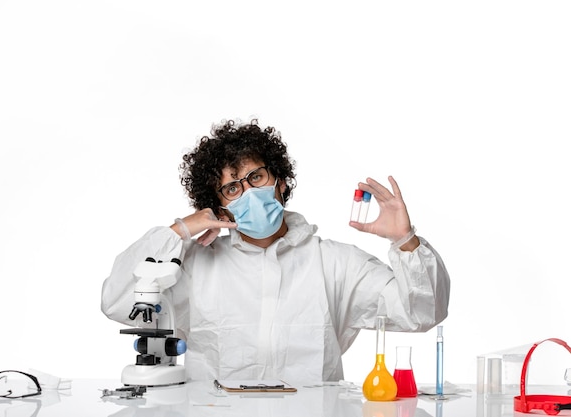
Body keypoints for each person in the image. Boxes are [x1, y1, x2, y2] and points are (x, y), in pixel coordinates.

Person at [101, 119, 450, 383]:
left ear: (280, 181)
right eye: (232, 188)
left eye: (256, 178)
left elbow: (421, 313)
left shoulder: (336, 264)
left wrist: (405, 241)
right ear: (219, 208)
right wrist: (178, 231)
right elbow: (118, 302)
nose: (249, 193)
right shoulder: (194, 266)